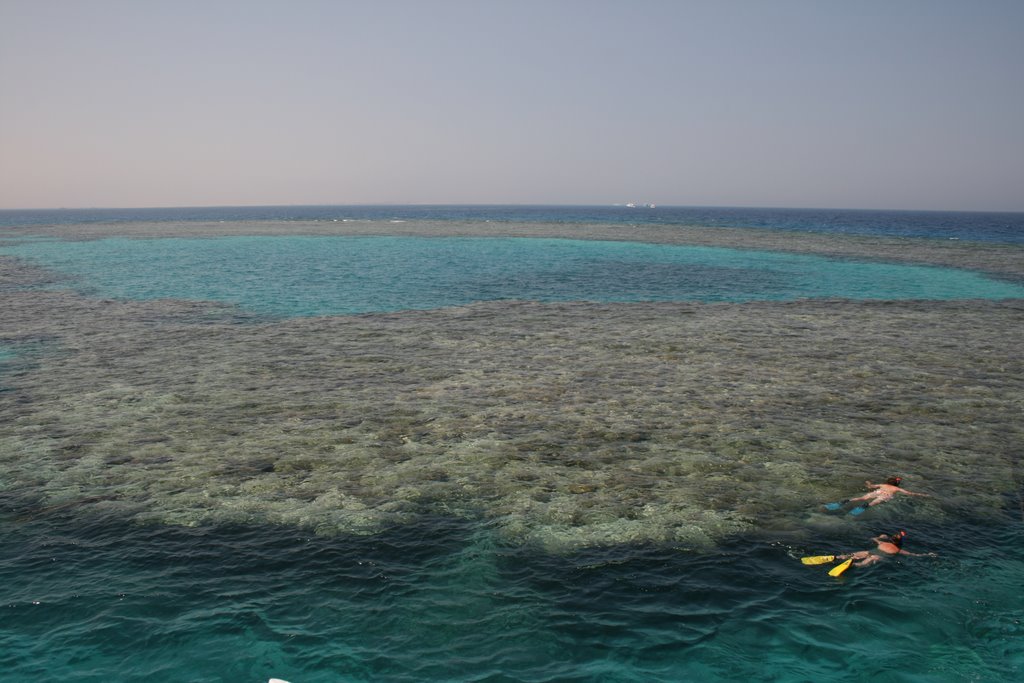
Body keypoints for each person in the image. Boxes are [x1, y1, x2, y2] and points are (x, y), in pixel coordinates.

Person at [825, 476, 929, 514]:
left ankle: (848, 501)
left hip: (878, 491)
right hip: (886, 495)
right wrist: (922, 495)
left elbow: (871, 487)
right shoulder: (897, 488)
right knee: (875, 502)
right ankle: (866, 506)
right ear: (896, 484)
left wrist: (868, 483)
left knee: (862, 497)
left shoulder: (882, 484)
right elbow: (909, 493)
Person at [837, 530, 937, 568]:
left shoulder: (882, 542)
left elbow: (873, 539)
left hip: (870, 552)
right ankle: (854, 564)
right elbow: (914, 555)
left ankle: (838, 557)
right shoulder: (899, 550)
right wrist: (928, 554)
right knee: (871, 559)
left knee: (856, 554)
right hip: (877, 556)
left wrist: (881, 536)